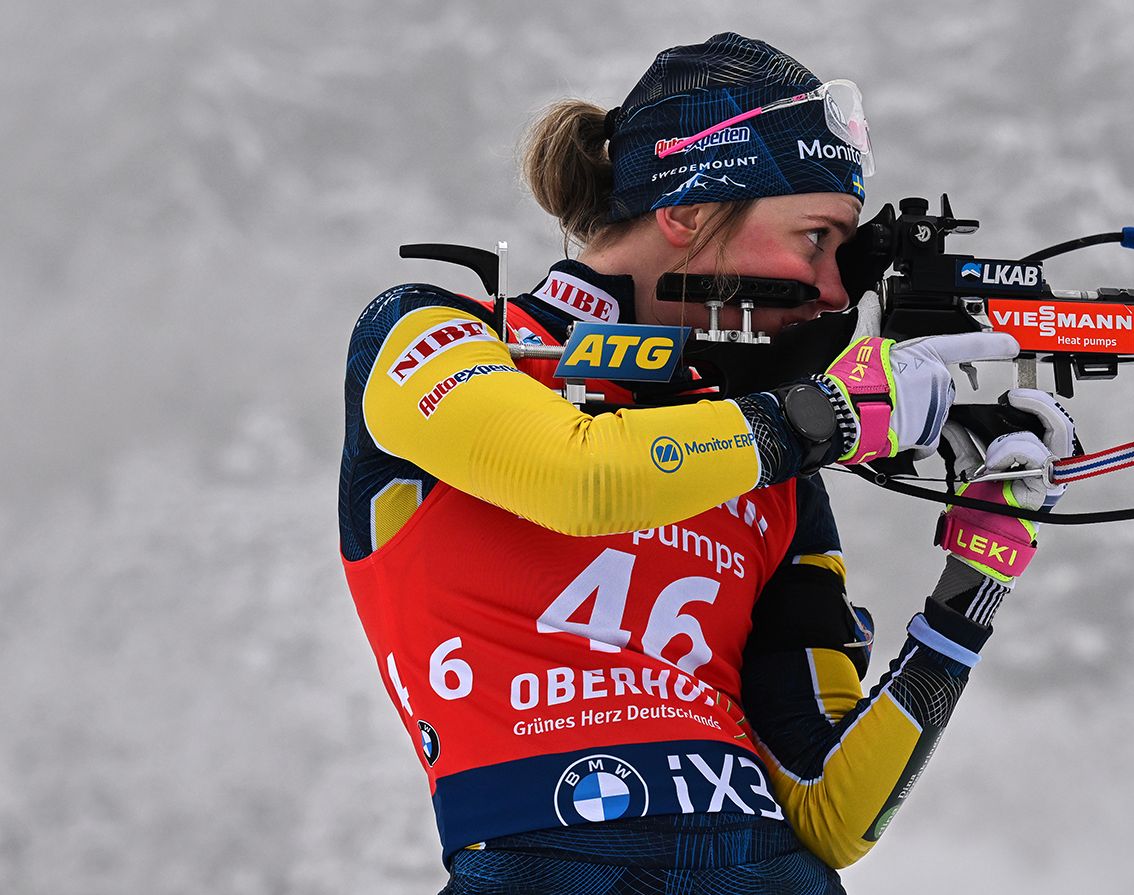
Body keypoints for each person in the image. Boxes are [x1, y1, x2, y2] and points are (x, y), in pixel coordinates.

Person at [338, 33, 1075, 894]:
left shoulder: (770, 463)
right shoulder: (438, 332)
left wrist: (978, 574)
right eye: (813, 238)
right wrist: (829, 415)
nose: (835, 291)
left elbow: (829, 810)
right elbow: (577, 476)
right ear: (686, 212)